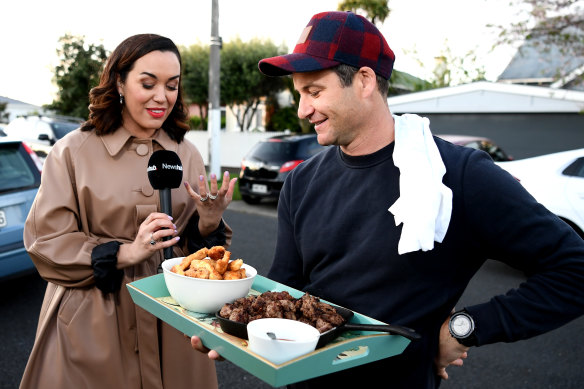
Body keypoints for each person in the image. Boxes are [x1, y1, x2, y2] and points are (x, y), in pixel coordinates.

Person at [192, 10, 584, 388]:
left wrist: (465, 328)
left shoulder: (456, 175)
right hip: (303, 382)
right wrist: (237, 333)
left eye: (314, 91)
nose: (302, 109)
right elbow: (285, 293)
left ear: (364, 80)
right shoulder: (301, 182)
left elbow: (573, 268)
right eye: (299, 94)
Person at [20, 34, 236, 389]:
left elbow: (198, 258)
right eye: (148, 84)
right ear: (119, 82)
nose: (161, 97)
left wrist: (209, 221)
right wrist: (127, 252)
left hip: (174, 320)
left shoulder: (187, 152)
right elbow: (46, 242)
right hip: (94, 322)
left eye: (172, 85)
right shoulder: (72, 152)